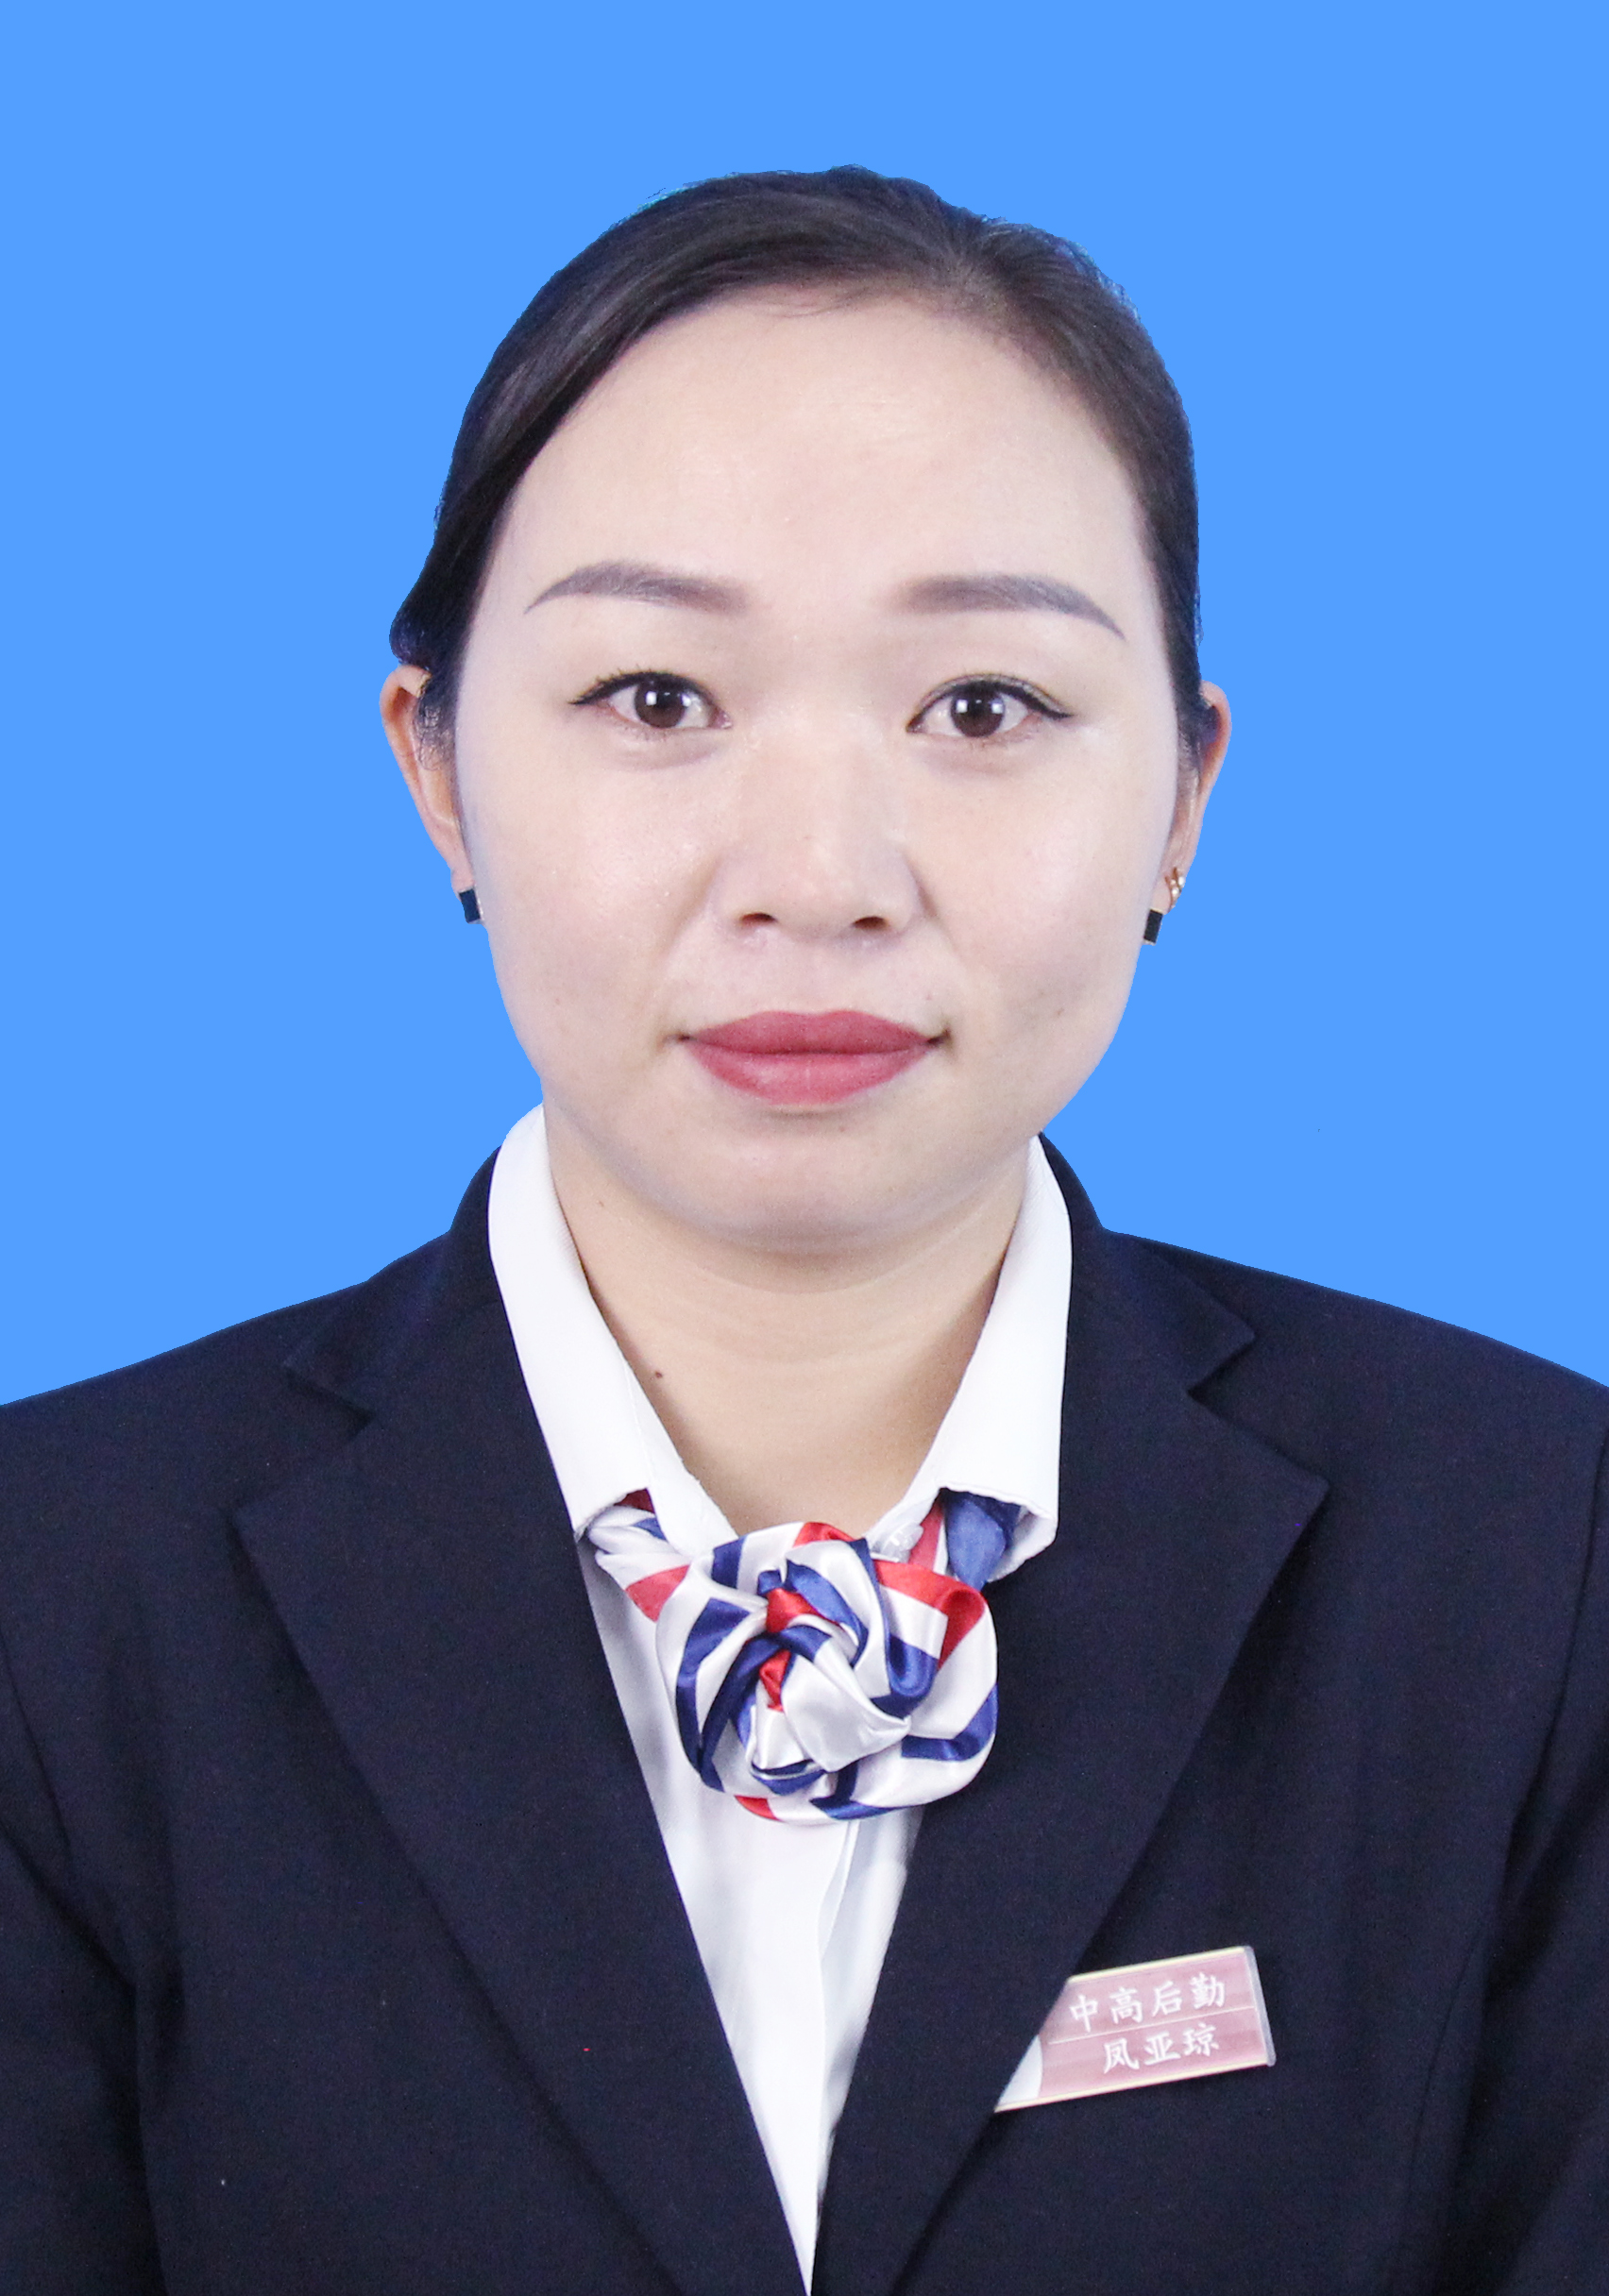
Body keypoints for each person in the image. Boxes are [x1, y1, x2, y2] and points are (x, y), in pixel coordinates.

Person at [2, 167, 1605, 2296]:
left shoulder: (1538, 1559)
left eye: (984, 708)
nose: (822, 876)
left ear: (1183, 800)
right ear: (439, 769)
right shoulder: (50, 1596)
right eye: (658, 698)